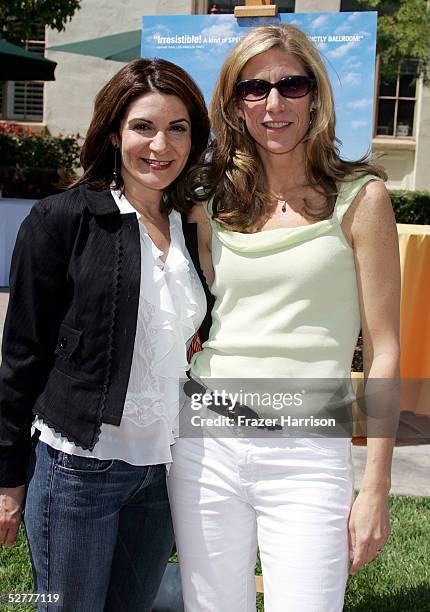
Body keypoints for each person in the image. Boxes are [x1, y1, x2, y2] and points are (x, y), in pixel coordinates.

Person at [167, 24, 400, 612]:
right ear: (235, 104)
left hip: (307, 451)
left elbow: (385, 349)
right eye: (255, 88)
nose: (274, 104)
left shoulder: (361, 198)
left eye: (291, 85)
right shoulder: (208, 203)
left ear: (315, 96)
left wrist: (376, 483)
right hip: (206, 444)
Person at [0, 58, 210, 611]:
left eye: (178, 127)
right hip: (78, 468)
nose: (160, 144)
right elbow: (22, 354)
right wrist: (7, 479)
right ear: (115, 132)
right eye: (143, 126)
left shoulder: (192, 225)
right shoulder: (62, 219)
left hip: (163, 472)